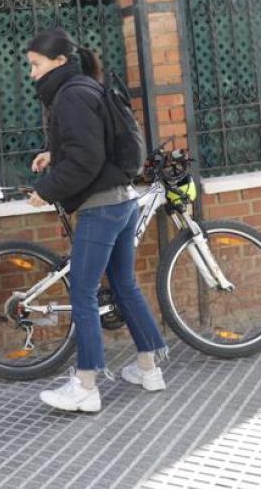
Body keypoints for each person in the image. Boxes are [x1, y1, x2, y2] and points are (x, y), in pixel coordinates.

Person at [24, 28, 168, 413]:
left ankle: (86, 385)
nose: (32, 74)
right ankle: (149, 368)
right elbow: (94, 144)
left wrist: (47, 190)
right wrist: (53, 154)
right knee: (124, 285)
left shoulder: (70, 96)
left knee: (83, 293)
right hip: (123, 201)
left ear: (59, 62)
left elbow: (86, 159)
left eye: (36, 65)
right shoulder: (86, 88)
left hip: (101, 206)